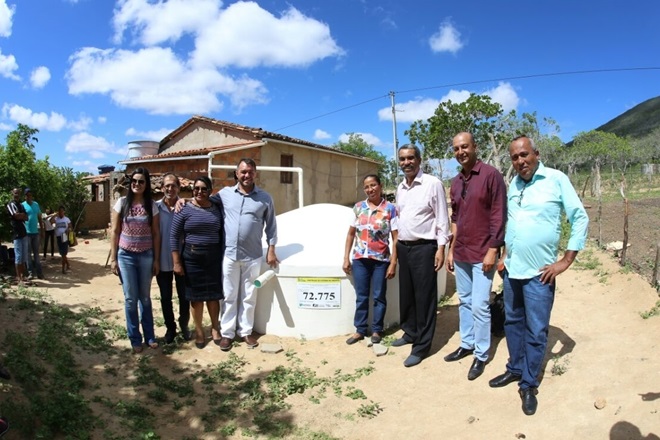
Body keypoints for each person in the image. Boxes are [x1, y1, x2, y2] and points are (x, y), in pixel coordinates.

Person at [489, 135, 588, 416]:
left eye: (524, 155)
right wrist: (505, 256)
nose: (520, 161)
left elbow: (579, 217)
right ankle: (515, 368)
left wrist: (566, 260)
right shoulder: (515, 185)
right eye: (515, 158)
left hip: (539, 275)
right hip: (512, 271)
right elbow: (514, 224)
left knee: (536, 329)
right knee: (513, 323)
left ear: (536, 153)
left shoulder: (556, 179)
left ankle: (529, 383)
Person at [445, 132, 507, 380]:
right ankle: (467, 343)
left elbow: (499, 215)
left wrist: (493, 249)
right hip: (461, 252)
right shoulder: (457, 181)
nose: (461, 152)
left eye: (465, 147)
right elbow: (455, 219)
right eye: (457, 148)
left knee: (480, 305)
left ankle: (481, 354)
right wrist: (451, 249)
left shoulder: (491, 175)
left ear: (475, 147)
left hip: (483, 253)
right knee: (465, 302)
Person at [392, 144, 451, 367]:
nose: (406, 163)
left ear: (419, 160)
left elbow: (442, 218)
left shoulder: (432, 184)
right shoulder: (401, 187)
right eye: (402, 159)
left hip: (424, 247)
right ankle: (410, 332)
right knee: (407, 295)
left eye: (410, 158)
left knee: (425, 298)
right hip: (404, 247)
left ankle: (422, 346)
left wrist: (441, 248)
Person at [216, 158, 278, 351]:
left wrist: (271, 249)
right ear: (237, 173)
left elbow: (271, 226)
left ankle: (245, 332)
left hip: (252, 256)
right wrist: (184, 201)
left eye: (250, 172)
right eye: (243, 171)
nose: (246, 175)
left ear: (255, 174)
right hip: (229, 254)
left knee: (249, 296)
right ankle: (227, 333)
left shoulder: (265, 198)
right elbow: (203, 203)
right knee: (228, 295)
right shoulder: (224, 194)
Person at [110, 168, 161, 353]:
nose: (137, 184)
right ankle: (135, 338)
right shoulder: (122, 203)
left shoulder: (151, 205)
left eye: (141, 182)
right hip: (126, 256)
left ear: (146, 185)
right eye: (134, 181)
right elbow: (115, 231)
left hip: (146, 255)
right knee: (131, 299)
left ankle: (150, 336)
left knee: (145, 298)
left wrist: (156, 259)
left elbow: (156, 234)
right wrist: (113, 258)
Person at [343, 174, 398, 345]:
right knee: (362, 296)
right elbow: (351, 234)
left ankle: (376, 330)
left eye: (373, 185)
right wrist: (346, 257)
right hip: (360, 259)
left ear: (380, 186)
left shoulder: (390, 209)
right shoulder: (359, 207)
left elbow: (396, 238)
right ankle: (360, 330)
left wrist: (393, 263)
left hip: (381, 260)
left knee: (379, 295)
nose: (370, 189)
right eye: (366, 187)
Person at [171, 176, 224, 350]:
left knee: (214, 295)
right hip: (192, 258)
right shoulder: (184, 208)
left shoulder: (217, 207)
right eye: (196, 188)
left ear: (210, 190)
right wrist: (176, 262)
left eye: (203, 189)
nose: (200, 192)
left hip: (213, 257)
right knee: (196, 298)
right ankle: (200, 331)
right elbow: (174, 236)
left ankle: (215, 328)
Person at [156, 173, 190, 344]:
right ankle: (170, 328)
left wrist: (185, 200)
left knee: (184, 296)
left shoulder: (184, 207)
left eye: (173, 186)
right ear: (162, 188)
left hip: (182, 261)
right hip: (162, 260)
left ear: (179, 187)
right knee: (165, 297)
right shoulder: (155, 208)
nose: (170, 189)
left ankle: (184, 325)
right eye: (167, 186)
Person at [6, 188, 28, 284]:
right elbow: (15, 215)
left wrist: (21, 215)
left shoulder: (21, 205)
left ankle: (22, 276)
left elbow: (26, 217)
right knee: (18, 256)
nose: (17, 194)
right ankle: (18, 277)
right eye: (15, 192)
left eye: (18, 193)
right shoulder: (11, 204)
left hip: (23, 232)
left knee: (23, 256)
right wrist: (20, 215)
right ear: (12, 193)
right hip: (16, 233)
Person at [22, 188, 44, 279]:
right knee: (28, 254)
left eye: (30, 195)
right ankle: (30, 273)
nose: (29, 196)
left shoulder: (36, 204)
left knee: (36, 253)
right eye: (27, 195)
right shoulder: (22, 205)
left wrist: (42, 230)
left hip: (35, 233)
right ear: (25, 196)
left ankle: (39, 273)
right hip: (26, 233)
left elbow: (39, 218)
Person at [52, 206, 72, 274]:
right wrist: (54, 215)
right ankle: (68, 264)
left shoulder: (66, 219)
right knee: (62, 253)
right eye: (59, 211)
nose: (61, 213)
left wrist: (67, 230)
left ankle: (63, 269)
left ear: (64, 212)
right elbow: (50, 221)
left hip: (64, 237)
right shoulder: (56, 219)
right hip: (58, 237)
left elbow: (70, 227)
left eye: (62, 211)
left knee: (64, 253)